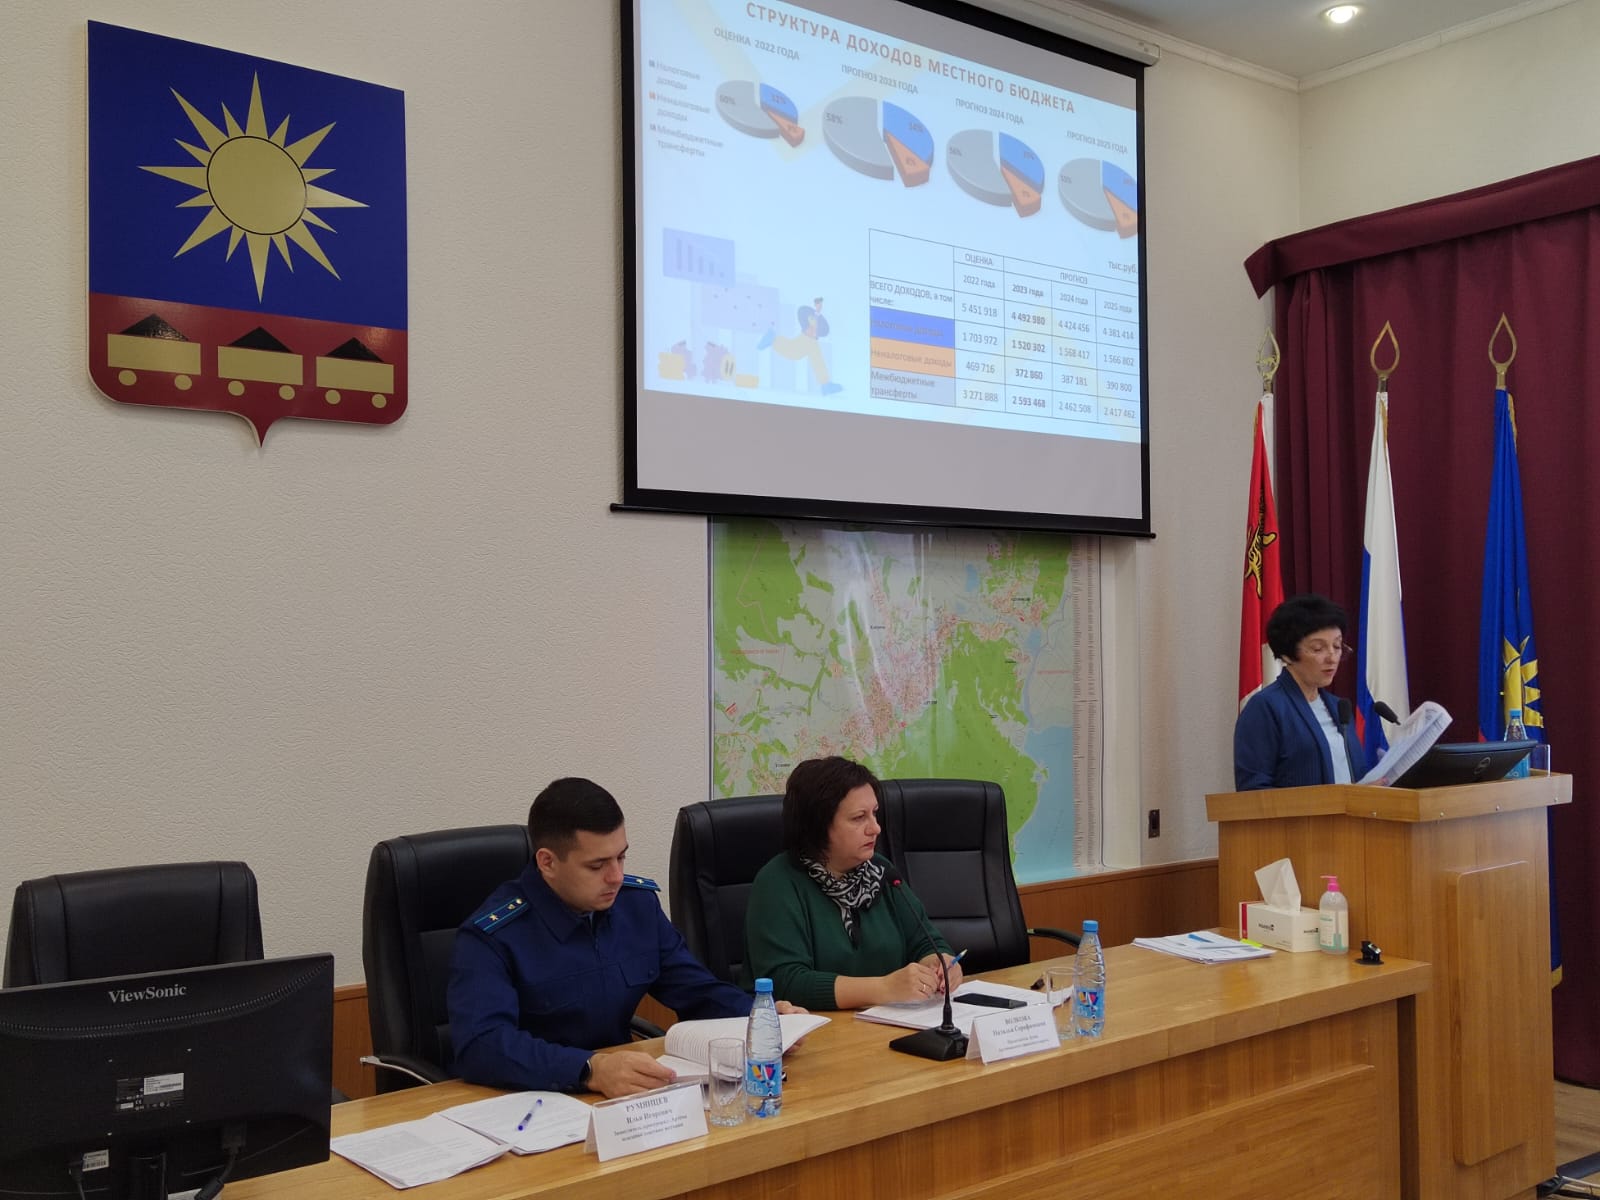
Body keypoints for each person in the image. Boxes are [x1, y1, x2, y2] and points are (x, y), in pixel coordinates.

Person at [449, 777, 796, 1098]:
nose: (616, 876)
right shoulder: (493, 936)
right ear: (548, 863)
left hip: (623, 1095)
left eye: (621, 856)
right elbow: (481, 1045)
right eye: (597, 865)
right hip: (531, 1100)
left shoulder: (636, 906)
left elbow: (695, 990)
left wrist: (759, 1016)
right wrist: (589, 1069)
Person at [743, 756, 961, 1009]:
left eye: (874, 814)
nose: (875, 828)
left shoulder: (881, 872)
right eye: (859, 818)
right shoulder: (778, 883)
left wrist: (939, 963)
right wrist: (884, 988)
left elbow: (925, 941)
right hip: (812, 1027)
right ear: (818, 825)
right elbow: (786, 982)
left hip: (886, 1022)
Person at [1234, 594, 1368, 790]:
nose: (1332, 658)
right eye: (1318, 648)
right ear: (1287, 654)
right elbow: (1253, 791)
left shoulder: (1339, 708)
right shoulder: (1265, 708)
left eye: (1337, 646)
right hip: (1305, 813)